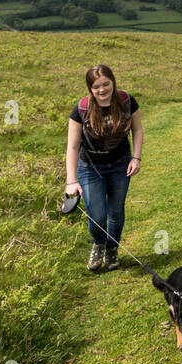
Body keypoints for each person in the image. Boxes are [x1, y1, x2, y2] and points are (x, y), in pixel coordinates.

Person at [65, 65, 143, 271]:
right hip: (90, 168)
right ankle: (99, 244)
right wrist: (71, 181)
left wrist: (136, 158)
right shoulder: (81, 110)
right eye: (96, 86)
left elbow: (137, 129)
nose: (102, 90)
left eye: (106, 84)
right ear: (90, 89)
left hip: (120, 165)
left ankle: (112, 249)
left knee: (116, 211)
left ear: (113, 82)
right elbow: (72, 147)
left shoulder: (127, 101)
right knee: (97, 215)